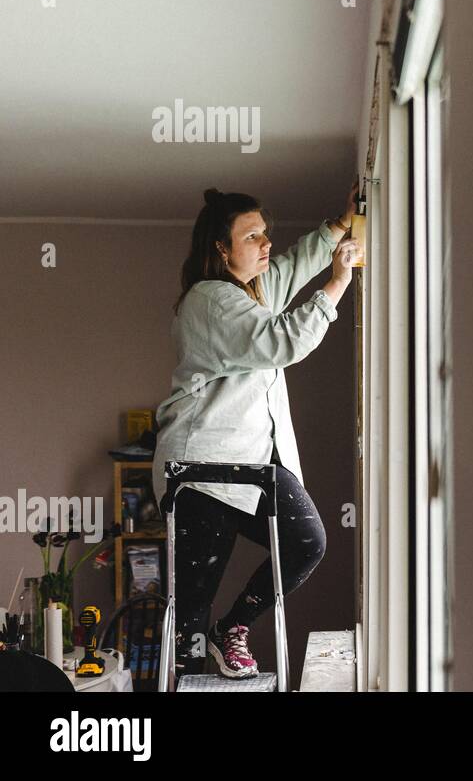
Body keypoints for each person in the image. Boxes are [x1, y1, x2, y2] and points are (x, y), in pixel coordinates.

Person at [153, 184, 360, 679]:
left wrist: (340, 222)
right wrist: (337, 282)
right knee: (190, 621)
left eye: (265, 233)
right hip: (201, 470)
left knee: (306, 540)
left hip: (249, 464)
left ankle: (234, 628)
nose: (266, 244)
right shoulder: (211, 299)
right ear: (221, 249)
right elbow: (282, 341)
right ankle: (199, 660)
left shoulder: (252, 292)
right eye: (252, 237)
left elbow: (291, 265)